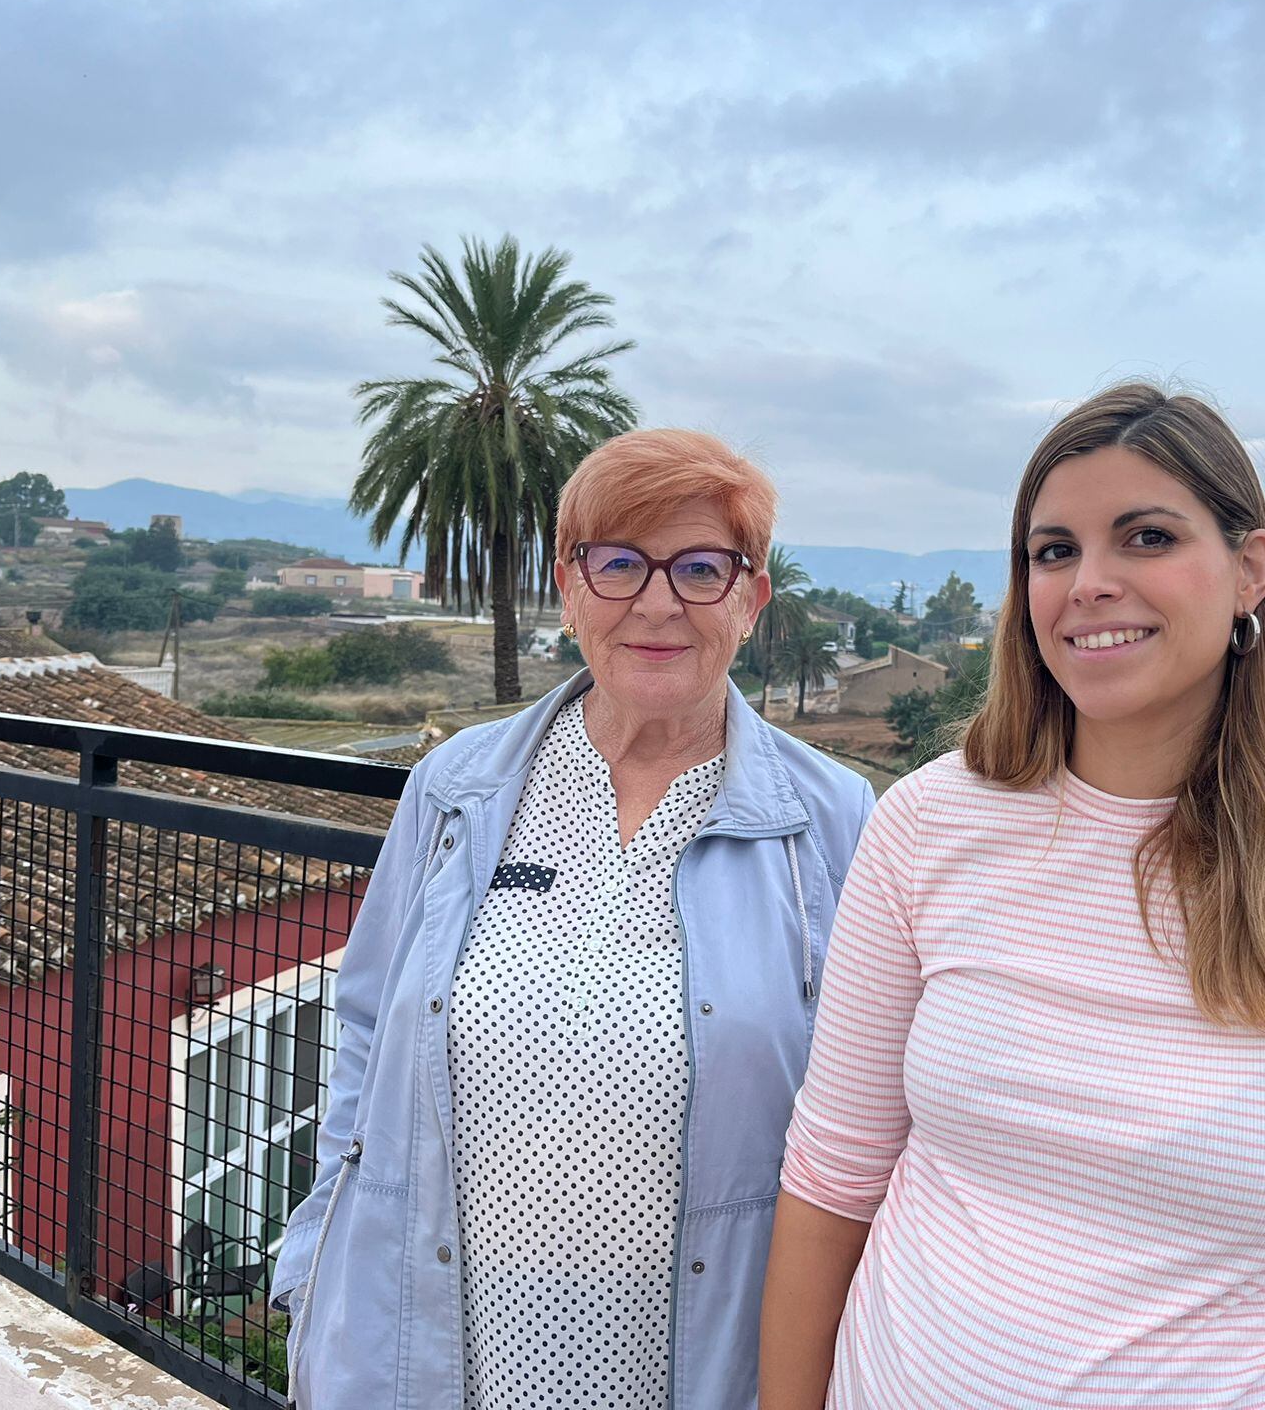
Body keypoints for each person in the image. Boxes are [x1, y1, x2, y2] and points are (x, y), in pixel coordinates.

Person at [760, 382, 1265, 1410]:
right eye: (1053, 550)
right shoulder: (930, 823)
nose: (1088, 583)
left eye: (1146, 537)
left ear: (1250, 571)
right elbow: (831, 1178)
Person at [274, 428, 877, 1410]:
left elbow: (864, 1119)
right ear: (568, 586)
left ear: (751, 598)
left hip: (694, 1366)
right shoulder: (456, 790)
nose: (655, 603)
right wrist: (310, 1267)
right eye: (617, 563)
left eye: (698, 568)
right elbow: (369, 1027)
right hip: (430, 1358)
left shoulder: (833, 822)